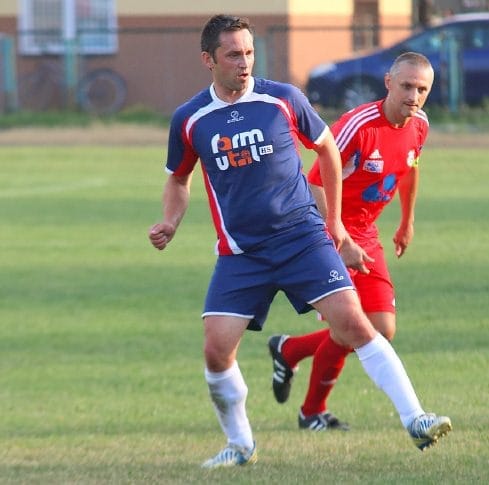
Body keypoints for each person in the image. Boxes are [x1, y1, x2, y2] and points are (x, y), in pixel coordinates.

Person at [147, 15, 451, 469]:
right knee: (216, 349)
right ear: (208, 60)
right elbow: (179, 178)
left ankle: (416, 419)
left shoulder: (283, 99)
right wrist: (170, 220)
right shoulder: (191, 119)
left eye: (249, 52)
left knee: (355, 323)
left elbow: (326, 149)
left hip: (302, 239)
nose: (244, 62)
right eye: (233, 54)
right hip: (242, 253)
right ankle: (240, 445)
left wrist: (335, 226)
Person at [267, 52, 436, 432]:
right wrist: (337, 235)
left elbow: (410, 168)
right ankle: (312, 412)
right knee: (351, 326)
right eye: (406, 86)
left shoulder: (420, 125)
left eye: (422, 89)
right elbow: (313, 183)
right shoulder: (358, 125)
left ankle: (290, 350)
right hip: (325, 231)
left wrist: (407, 221)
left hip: (367, 233)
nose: (413, 95)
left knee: (381, 329)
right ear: (389, 83)